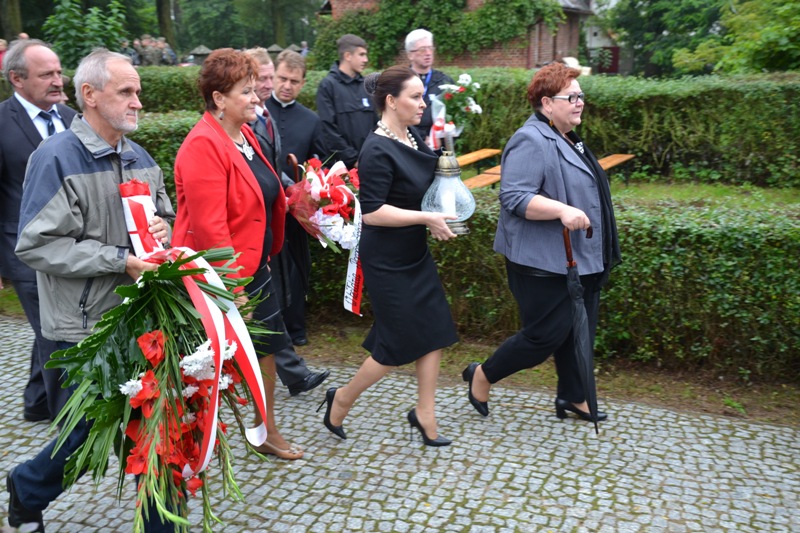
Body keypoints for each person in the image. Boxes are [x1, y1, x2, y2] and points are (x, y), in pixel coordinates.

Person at [8, 48, 175, 533]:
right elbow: (35, 244)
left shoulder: (139, 155)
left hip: (141, 321)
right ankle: (27, 487)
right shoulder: (55, 157)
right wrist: (119, 260)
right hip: (83, 332)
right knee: (84, 435)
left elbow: (164, 215)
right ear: (90, 94)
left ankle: (164, 524)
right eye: (126, 91)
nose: (138, 101)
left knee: (156, 431)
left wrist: (163, 229)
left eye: (138, 91)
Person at [462, 62, 621, 423]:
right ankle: (482, 375)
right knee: (543, 337)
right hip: (541, 262)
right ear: (547, 103)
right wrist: (562, 210)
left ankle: (575, 397)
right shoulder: (531, 139)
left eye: (581, 95)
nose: (580, 102)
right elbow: (514, 197)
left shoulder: (569, 137)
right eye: (571, 97)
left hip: (580, 255)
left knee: (579, 330)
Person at [171, 48, 304, 460]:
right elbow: (211, 228)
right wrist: (236, 291)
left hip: (255, 266)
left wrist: (301, 202)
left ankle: (265, 431)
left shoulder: (244, 135)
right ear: (218, 99)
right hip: (220, 278)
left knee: (267, 348)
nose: (256, 97)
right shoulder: (202, 145)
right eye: (245, 91)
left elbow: (263, 190)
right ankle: (188, 446)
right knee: (208, 363)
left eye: (254, 88)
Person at [319, 66, 458, 447]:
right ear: (392, 101)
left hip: (413, 251)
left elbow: (429, 180)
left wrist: (447, 152)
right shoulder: (376, 148)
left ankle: (425, 413)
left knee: (435, 329)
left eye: (422, 96)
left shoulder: (411, 136)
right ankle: (342, 398)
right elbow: (373, 212)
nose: (423, 103)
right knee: (395, 346)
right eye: (415, 97)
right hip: (387, 259)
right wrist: (427, 218)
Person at [244, 46, 330, 396]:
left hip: (273, 221)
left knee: (269, 299)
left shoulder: (265, 115)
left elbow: (274, 166)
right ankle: (288, 374)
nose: (271, 85)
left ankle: (291, 374)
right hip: (250, 225)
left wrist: (298, 191)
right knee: (263, 301)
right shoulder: (242, 120)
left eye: (271, 78)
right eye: (264, 78)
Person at [0, 39, 77, 423]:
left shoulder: (72, 117)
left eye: (59, 72)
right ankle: (69, 420)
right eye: (47, 74)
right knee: (54, 331)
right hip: (24, 251)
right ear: (17, 79)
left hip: (74, 248)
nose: (58, 80)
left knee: (49, 326)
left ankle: (36, 402)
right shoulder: (1, 123)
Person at [266, 49, 326, 347]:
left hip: (295, 209)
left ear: (303, 84)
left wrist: (312, 186)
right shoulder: (257, 109)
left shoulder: (311, 120)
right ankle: (271, 324)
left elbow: (317, 162)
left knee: (296, 265)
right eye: (282, 78)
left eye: (294, 81)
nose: (286, 85)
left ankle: (296, 326)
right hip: (263, 205)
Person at [316, 34, 377, 167]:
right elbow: (328, 130)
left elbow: (376, 125)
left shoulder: (366, 86)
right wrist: (353, 160)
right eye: (361, 55)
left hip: (369, 163)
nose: (366, 59)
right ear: (348, 56)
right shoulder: (328, 86)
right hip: (341, 167)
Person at [404, 29, 454, 144]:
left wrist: (443, 138)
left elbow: (454, 116)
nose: (428, 53)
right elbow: (395, 117)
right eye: (422, 49)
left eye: (430, 48)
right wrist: (421, 138)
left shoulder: (445, 81)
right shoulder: (401, 81)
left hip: (440, 146)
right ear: (410, 55)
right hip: (410, 144)